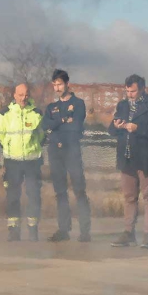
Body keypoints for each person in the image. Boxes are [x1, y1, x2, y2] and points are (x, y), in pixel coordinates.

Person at [109, 74, 148, 248]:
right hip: (126, 156)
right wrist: (116, 126)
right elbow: (111, 130)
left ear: (142, 89)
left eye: (132, 91)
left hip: (145, 157)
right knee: (129, 197)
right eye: (127, 91)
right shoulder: (122, 105)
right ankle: (128, 233)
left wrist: (138, 128)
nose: (129, 94)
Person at [41, 69, 90, 242]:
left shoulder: (78, 104)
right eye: (54, 84)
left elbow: (75, 127)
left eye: (59, 84)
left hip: (72, 151)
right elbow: (45, 127)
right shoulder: (51, 107)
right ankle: (63, 229)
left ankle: (85, 231)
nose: (57, 88)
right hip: (55, 152)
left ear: (67, 84)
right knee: (60, 192)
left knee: (79, 190)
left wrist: (57, 125)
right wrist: (63, 120)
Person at [0, 83, 44, 241]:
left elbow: (42, 136)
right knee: (13, 196)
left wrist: (32, 148)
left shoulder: (37, 113)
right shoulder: (4, 114)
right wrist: (9, 147)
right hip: (12, 162)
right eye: (20, 95)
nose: (23, 98)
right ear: (14, 95)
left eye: (26, 94)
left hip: (32, 162)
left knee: (34, 196)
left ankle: (33, 230)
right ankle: (14, 231)